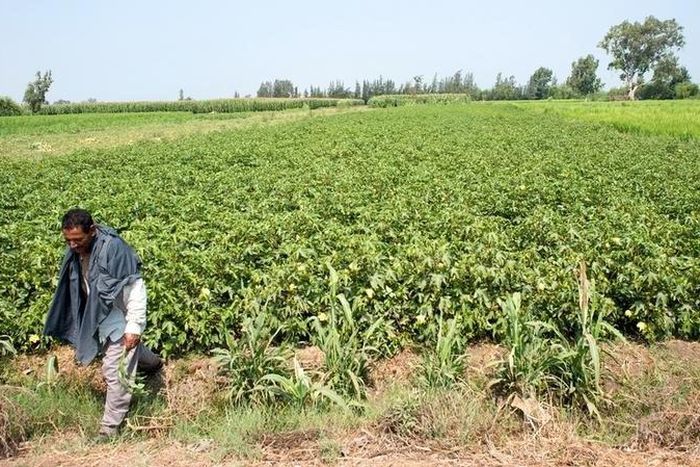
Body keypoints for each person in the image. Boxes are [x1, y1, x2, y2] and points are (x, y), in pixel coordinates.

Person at [44, 208, 162, 438]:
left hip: (118, 313)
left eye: (77, 240)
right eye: (67, 240)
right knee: (127, 353)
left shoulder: (114, 249)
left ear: (93, 229)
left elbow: (135, 288)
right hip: (99, 312)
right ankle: (154, 365)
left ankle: (109, 429)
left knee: (113, 370)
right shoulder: (78, 250)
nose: (72, 246)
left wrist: (134, 326)